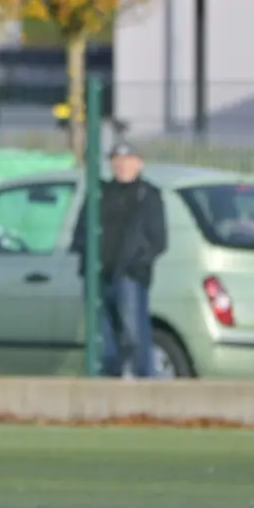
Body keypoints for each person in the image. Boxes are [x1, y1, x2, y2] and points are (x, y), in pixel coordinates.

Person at [98, 142, 167, 379]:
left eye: (127, 160)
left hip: (130, 277)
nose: (122, 165)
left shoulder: (148, 195)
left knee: (133, 335)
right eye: (117, 160)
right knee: (105, 339)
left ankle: (141, 383)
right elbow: (83, 231)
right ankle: (110, 380)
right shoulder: (102, 193)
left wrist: (136, 265)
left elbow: (158, 239)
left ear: (139, 163)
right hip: (100, 275)